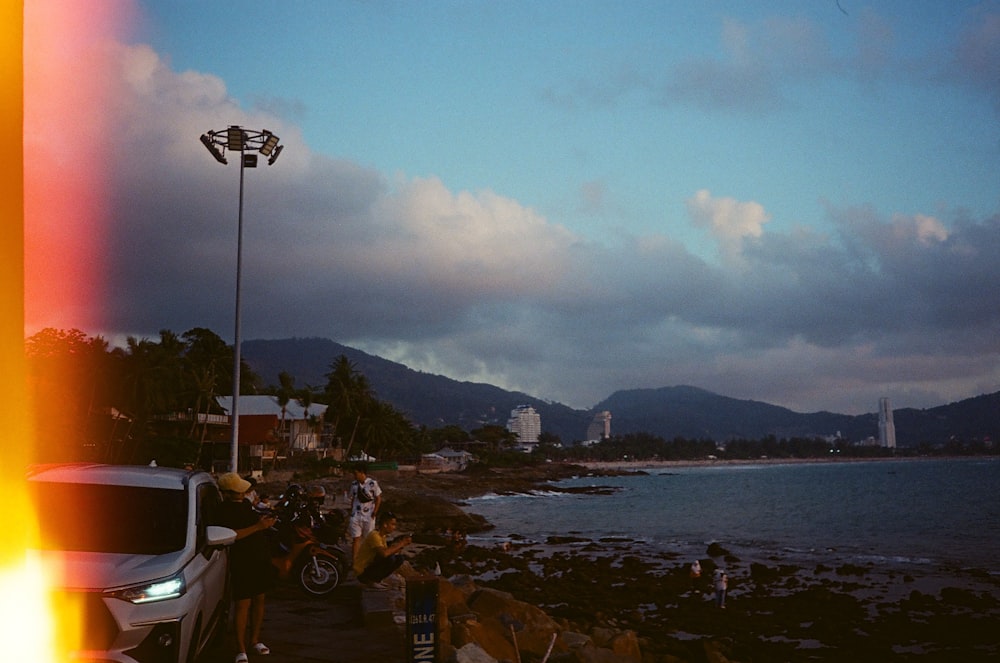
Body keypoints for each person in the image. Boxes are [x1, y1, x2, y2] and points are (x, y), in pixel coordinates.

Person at [215, 472, 278, 662]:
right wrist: (259, 527)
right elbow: (232, 535)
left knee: (259, 600)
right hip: (242, 560)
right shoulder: (222, 510)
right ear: (226, 493)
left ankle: (255, 640)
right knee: (243, 604)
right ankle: (240, 648)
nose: (242, 494)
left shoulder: (245, 505)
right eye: (237, 492)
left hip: (259, 557)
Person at [353, 510, 412, 587]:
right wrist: (402, 543)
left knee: (399, 558)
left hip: (369, 568)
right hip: (362, 572)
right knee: (391, 559)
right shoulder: (374, 535)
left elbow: (386, 553)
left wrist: (401, 545)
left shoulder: (382, 536)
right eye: (393, 524)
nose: (394, 527)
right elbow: (384, 554)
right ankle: (370, 581)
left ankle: (377, 580)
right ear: (385, 525)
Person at [347, 463, 382, 562]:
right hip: (356, 514)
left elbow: (378, 498)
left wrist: (375, 512)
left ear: (362, 472)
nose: (354, 475)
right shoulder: (354, 484)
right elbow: (353, 498)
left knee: (369, 539)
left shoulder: (372, 483)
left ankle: (368, 560)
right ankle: (355, 561)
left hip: (368, 515)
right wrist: (351, 511)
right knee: (356, 539)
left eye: (356, 473)